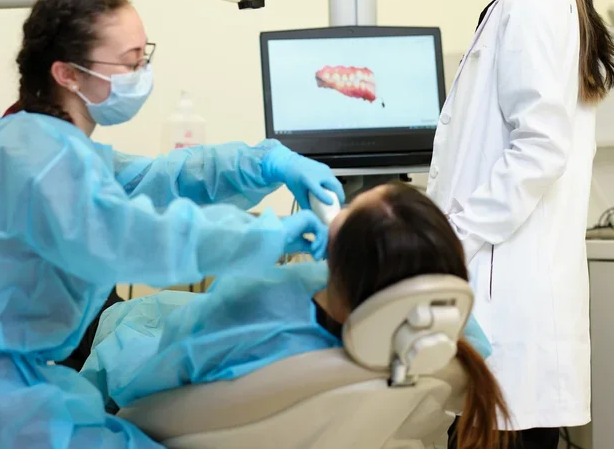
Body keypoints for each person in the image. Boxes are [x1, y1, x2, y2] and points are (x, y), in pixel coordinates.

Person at [0, 0, 345, 449]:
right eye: (129, 63)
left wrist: (264, 163)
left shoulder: (36, 137)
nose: (141, 73)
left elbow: (158, 180)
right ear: (68, 73)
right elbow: (139, 238)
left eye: (144, 57)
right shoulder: (36, 157)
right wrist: (272, 237)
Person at [433, 0, 614, 449]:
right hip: (499, 286)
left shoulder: (537, 2)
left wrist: (454, 234)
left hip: (507, 292)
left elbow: (540, 149)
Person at [84, 182, 510, 449]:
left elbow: (138, 383)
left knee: (106, 308)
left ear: (339, 262)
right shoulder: (438, 347)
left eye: (345, 214)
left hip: (144, 359)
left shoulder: (254, 303)